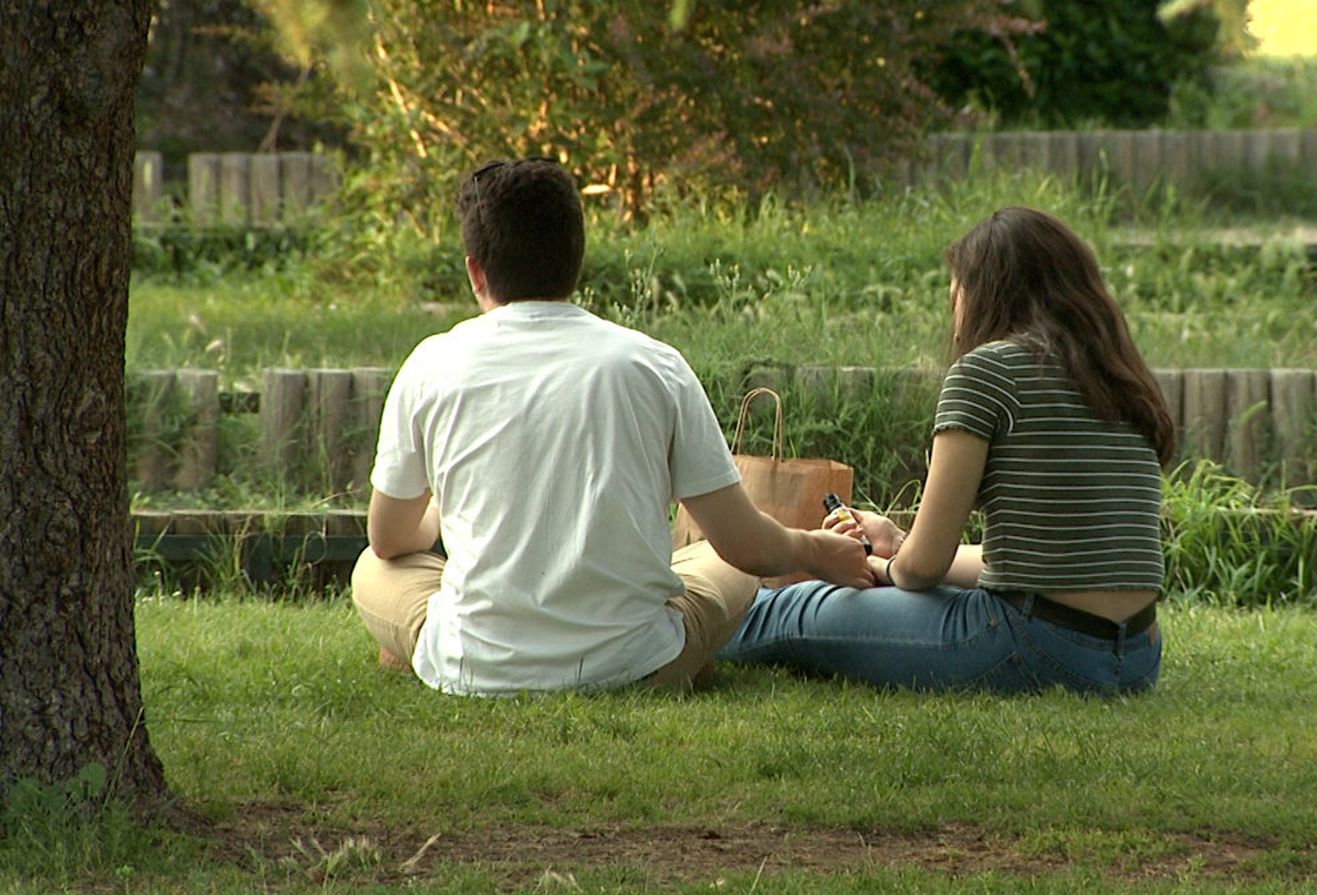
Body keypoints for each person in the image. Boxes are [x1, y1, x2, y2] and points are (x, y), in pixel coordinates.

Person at [350, 158, 870, 695]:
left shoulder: (431, 364)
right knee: (721, 563)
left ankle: (423, 645)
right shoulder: (652, 364)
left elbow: (388, 540)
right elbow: (746, 547)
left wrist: (438, 513)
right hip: (636, 664)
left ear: (474, 270)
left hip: (472, 663)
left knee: (373, 569)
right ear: (576, 259)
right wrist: (814, 549)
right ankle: (684, 659)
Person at [717, 207, 1175, 694]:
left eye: (954, 296)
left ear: (982, 295)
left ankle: (664, 635)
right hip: (1136, 657)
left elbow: (922, 571)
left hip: (1037, 646)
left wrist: (879, 567)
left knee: (787, 608)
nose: (954, 321)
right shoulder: (1118, 381)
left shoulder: (988, 372)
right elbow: (1034, 570)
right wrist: (897, 541)